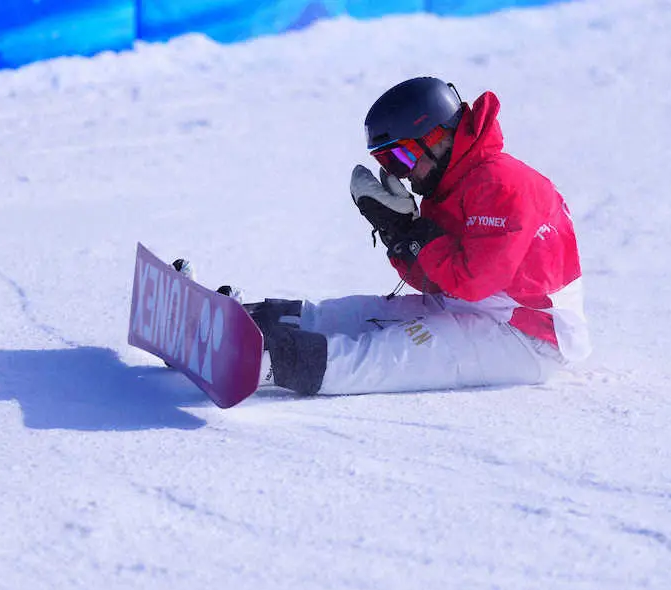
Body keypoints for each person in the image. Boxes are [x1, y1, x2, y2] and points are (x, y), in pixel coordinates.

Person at [242, 76, 590, 396]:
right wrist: (400, 234)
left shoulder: (502, 185)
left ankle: (259, 362)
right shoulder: (451, 183)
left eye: (402, 156)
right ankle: (249, 319)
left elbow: (472, 281)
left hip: (528, 336)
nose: (403, 173)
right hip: (476, 307)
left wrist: (414, 233)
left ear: (437, 138)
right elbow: (434, 282)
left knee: (383, 354)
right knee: (358, 313)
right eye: (388, 161)